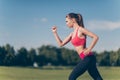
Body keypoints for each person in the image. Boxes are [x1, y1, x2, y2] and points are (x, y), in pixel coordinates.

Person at [51, 13, 103, 80]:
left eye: (67, 21)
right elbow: (61, 44)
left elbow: (95, 37)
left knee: (71, 77)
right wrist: (55, 33)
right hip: (88, 58)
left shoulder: (81, 29)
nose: (66, 23)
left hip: (88, 58)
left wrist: (89, 49)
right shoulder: (72, 34)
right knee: (97, 78)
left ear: (73, 20)